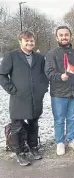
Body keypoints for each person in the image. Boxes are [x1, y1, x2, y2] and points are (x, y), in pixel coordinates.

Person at [0, 31, 48, 166]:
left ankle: (33, 147)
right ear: (20, 42)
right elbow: (2, 75)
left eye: (31, 41)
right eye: (26, 41)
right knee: (17, 126)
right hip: (18, 98)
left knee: (34, 124)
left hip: (35, 98)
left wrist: (43, 89)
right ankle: (20, 152)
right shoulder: (11, 56)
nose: (29, 43)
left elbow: (44, 75)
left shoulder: (39, 58)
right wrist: (12, 90)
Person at [45, 26, 74, 155]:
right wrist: (60, 76)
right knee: (59, 119)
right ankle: (60, 142)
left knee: (72, 118)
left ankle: (71, 139)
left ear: (70, 36)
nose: (64, 37)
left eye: (66, 34)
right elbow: (49, 72)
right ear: (57, 37)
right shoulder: (51, 54)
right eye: (61, 35)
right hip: (59, 93)